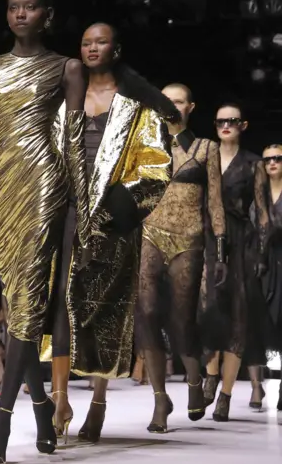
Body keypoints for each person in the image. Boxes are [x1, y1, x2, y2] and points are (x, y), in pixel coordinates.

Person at [0, 0, 89, 463]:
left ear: (47, 14)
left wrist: (83, 208)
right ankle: (41, 407)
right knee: (18, 306)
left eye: (30, 7)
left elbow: (74, 143)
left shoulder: (67, 68)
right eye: (13, 7)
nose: (20, 14)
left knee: (28, 302)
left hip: (43, 186)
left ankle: (2, 420)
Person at [47, 22, 176, 444]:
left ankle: (98, 400)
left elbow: (155, 169)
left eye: (100, 42)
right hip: (66, 211)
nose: (92, 48)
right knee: (61, 301)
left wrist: (113, 211)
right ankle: (60, 400)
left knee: (102, 308)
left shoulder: (138, 106)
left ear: (115, 49)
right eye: (86, 42)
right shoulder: (66, 97)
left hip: (113, 219)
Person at [136, 83, 226, 434]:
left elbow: (215, 203)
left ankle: (193, 378)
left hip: (189, 240)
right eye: (165, 101)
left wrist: (221, 253)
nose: (171, 106)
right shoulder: (146, 146)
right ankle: (160, 399)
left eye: (178, 101)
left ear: (191, 107)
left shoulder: (206, 148)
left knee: (181, 319)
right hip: (150, 235)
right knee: (146, 313)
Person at [201, 103, 265, 421]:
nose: (225, 125)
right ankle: (211, 375)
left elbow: (262, 212)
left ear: (243, 125)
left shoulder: (254, 164)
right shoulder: (204, 158)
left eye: (232, 121)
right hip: (207, 241)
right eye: (220, 121)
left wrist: (262, 254)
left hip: (240, 244)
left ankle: (225, 395)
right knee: (207, 311)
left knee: (238, 317)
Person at [255, 145, 282, 415]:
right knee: (265, 324)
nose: (272, 163)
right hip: (262, 265)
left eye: (278, 158)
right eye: (267, 160)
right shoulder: (258, 194)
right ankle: (257, 385)